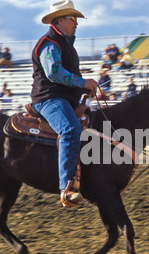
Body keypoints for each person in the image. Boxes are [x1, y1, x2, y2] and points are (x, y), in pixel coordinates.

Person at [30, 0, 98, 207]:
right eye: (73, 18)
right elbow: (53, 73)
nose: (77, 23)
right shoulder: (50, 43)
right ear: (60, 20)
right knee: (69, 130)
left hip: (63, 98)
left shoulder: (65, 44)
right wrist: (82, 82)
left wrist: (83, 88)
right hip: (49, 98)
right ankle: (67, 187)